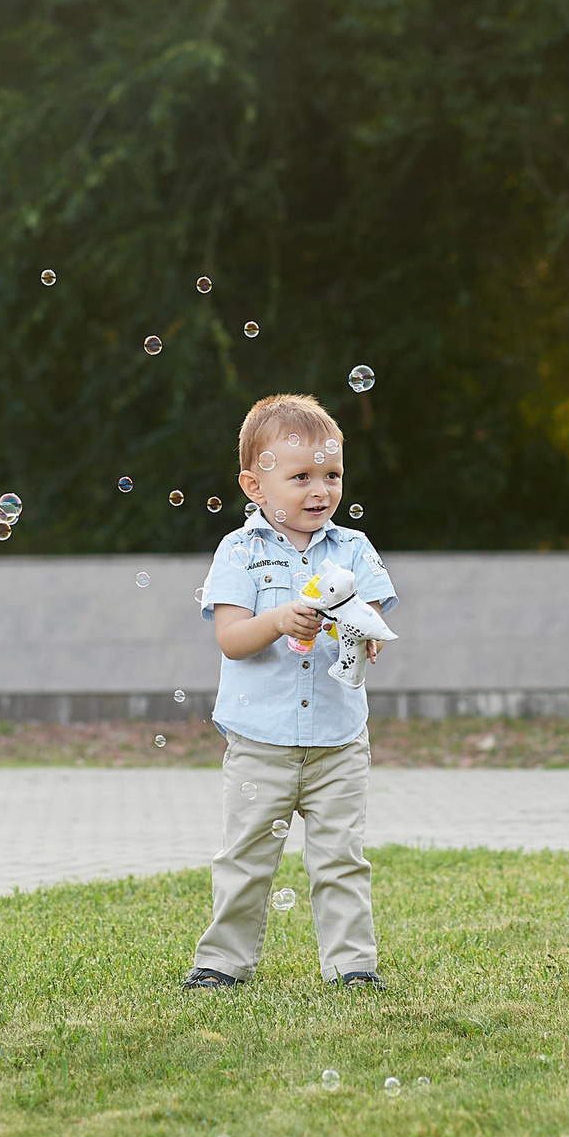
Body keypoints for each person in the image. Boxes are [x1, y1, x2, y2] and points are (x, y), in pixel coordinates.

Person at [183, 395, 397, 991]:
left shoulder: (353, 548)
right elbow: (231, 638)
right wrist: (279, 619)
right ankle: (222, 963)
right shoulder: (239, 552)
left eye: (331, 475)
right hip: (260, 742)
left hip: (338, 742)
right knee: (245, 859)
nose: (319, 490)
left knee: (340, 860)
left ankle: (352, 967)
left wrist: (366, 632)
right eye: (300, 476)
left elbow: (371, 612)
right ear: (255, 484)